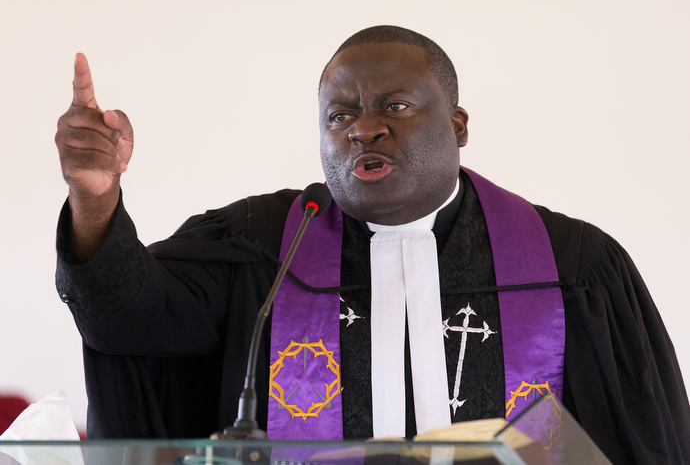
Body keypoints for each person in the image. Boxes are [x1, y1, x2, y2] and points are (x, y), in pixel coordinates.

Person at [55, 26, 689, 464]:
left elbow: (644, 444)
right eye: (340, 114)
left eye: (396, 105)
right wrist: (95, 199)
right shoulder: (261, 248)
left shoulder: (571, 267)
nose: (363, 128)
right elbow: (128, 319)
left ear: (459, 125)